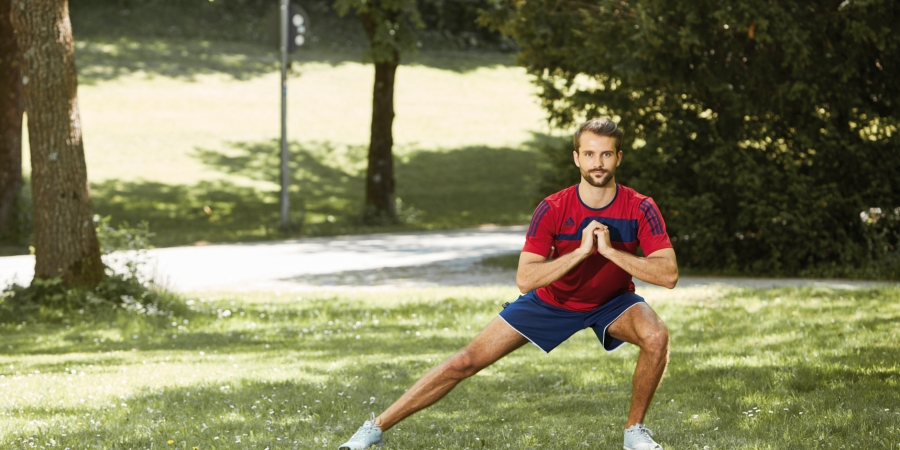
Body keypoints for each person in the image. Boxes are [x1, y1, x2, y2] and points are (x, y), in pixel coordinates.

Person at [337, 118, 678, 450]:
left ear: (619, 157)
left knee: (656, 335)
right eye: (589, 154)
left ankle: (634, 432)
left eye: (606, 154)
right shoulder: (553, 208)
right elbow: (525, 279)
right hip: (551, 302)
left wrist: (608, 251)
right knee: (465, 361)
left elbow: (668, 275)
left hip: (612, 302)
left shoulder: (640, 207)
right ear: (576, 158)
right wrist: (580, 253)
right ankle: (374, 429)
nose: (598, 162)